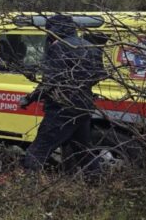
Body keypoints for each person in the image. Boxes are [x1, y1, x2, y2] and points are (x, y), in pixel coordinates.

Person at [19, 15, 106, 176]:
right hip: (83, 107)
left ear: (55, 30)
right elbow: (99, 75)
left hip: (61, 109)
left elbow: (51, 81)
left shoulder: (59, 47)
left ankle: (27, 190)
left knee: (37, 152)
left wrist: (29, 99)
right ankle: (98, 183)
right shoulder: (91, 47)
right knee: (84, 152)